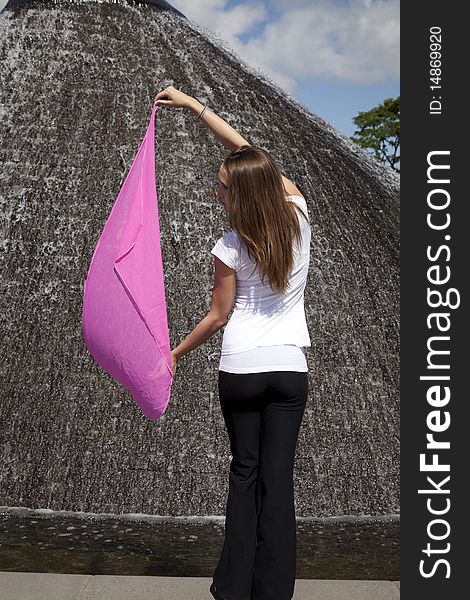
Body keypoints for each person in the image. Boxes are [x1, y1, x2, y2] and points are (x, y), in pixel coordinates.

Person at [154, 86, 311, 600]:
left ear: (240, 194)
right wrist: (198, 109)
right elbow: (251, 156)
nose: (218, 194)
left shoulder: (227, 245)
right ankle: (273, 592)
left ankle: (232, 587)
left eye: (222, 188)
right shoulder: (298, 215)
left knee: (243, 473)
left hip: (241, 369)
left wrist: (172, 356)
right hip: (289, 370)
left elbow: (219, 317)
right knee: (278, 482)